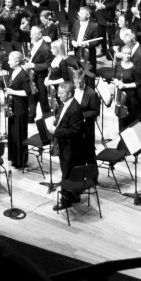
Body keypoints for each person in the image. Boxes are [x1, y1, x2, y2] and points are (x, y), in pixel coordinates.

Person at [51, 82, 85, 213]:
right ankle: (73, 195)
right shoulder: (64, 103)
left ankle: (66, 199)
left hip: (70, 147)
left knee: (66, 172)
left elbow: (74, 131)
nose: (58, 95)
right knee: (67, 171)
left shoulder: (75, 108)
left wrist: (55, 131)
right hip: (63, 144)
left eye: (61, 93)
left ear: (69, 94)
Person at [114, 28, 141, 132]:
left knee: (136, 118)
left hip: (137, 93)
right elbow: (115, 76)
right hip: (124, 94)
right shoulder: (130, 53)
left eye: (126, 43)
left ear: (132, 43)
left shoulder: (140, 54)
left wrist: (129, 71)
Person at [3, 51, 32, 168]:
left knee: (19, 132)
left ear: (16, 61)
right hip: (12, 105)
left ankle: (21, 160)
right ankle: (14, 157)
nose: (8, 62)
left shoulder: (23, 74)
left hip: (20, 107)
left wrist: (12, 91)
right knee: (12, 131)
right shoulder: (12, 71)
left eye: (10, 60)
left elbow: (27, 92)